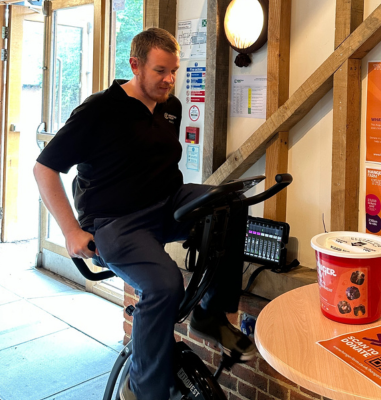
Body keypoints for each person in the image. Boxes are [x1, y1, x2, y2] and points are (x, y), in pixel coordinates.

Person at [33, 28, 255, 400]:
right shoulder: (99, 110)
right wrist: (70, 231)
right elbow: (44, 168)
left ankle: (209, 314)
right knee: (164, 285)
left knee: (230, 202)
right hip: (115, 221)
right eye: (160, 71)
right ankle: (143, 389)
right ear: (136, 65)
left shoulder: (171, 107)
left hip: (166, 203)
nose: (169, 80)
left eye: (174, 71)